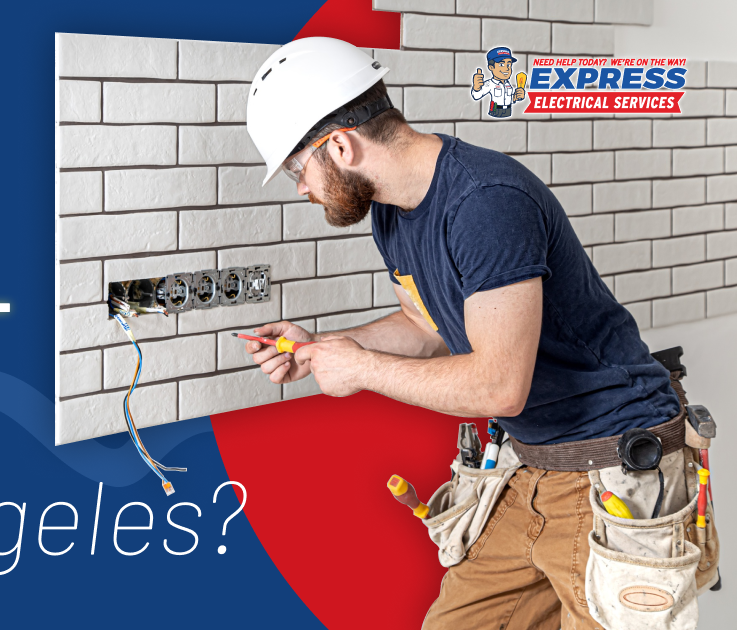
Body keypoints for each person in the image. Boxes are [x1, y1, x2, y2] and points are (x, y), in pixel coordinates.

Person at [243, 37, 715, 629]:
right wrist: (326, 349)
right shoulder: (393, 211)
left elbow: (498, 387)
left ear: (339, 144)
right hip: (535, 461)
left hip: (615, 466)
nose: (300, 187)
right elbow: (428, 324)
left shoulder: (485, 202)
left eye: (296, 167)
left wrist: (361, 372)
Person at [471, 46, 525, 118]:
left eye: (509, 64)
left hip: (508, 111)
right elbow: (477, 96)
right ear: (491, 67)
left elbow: (508, 98)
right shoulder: (490, 84)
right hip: (495, 111)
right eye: (501, 64)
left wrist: (515, 97)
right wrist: (476, 87)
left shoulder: (508, 84)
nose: (507, 68)